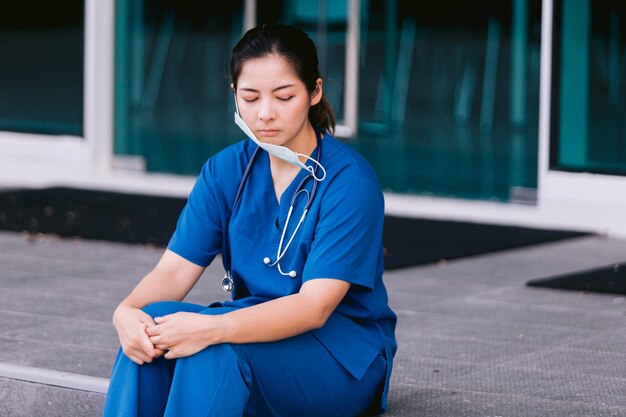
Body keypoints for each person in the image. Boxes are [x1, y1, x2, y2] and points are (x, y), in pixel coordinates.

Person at [103, 24, 397, 417]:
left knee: (211, 351)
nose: (265, 113)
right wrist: (126, 312)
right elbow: (173, 271)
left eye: (284, 96)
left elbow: (314, 308)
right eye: (250, 97)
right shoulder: (226, 170)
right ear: (234, 97)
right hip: (251, 331)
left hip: (338, 356)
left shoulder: (349, 182)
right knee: (151, 325)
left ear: (315, 92)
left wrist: (210, 328)